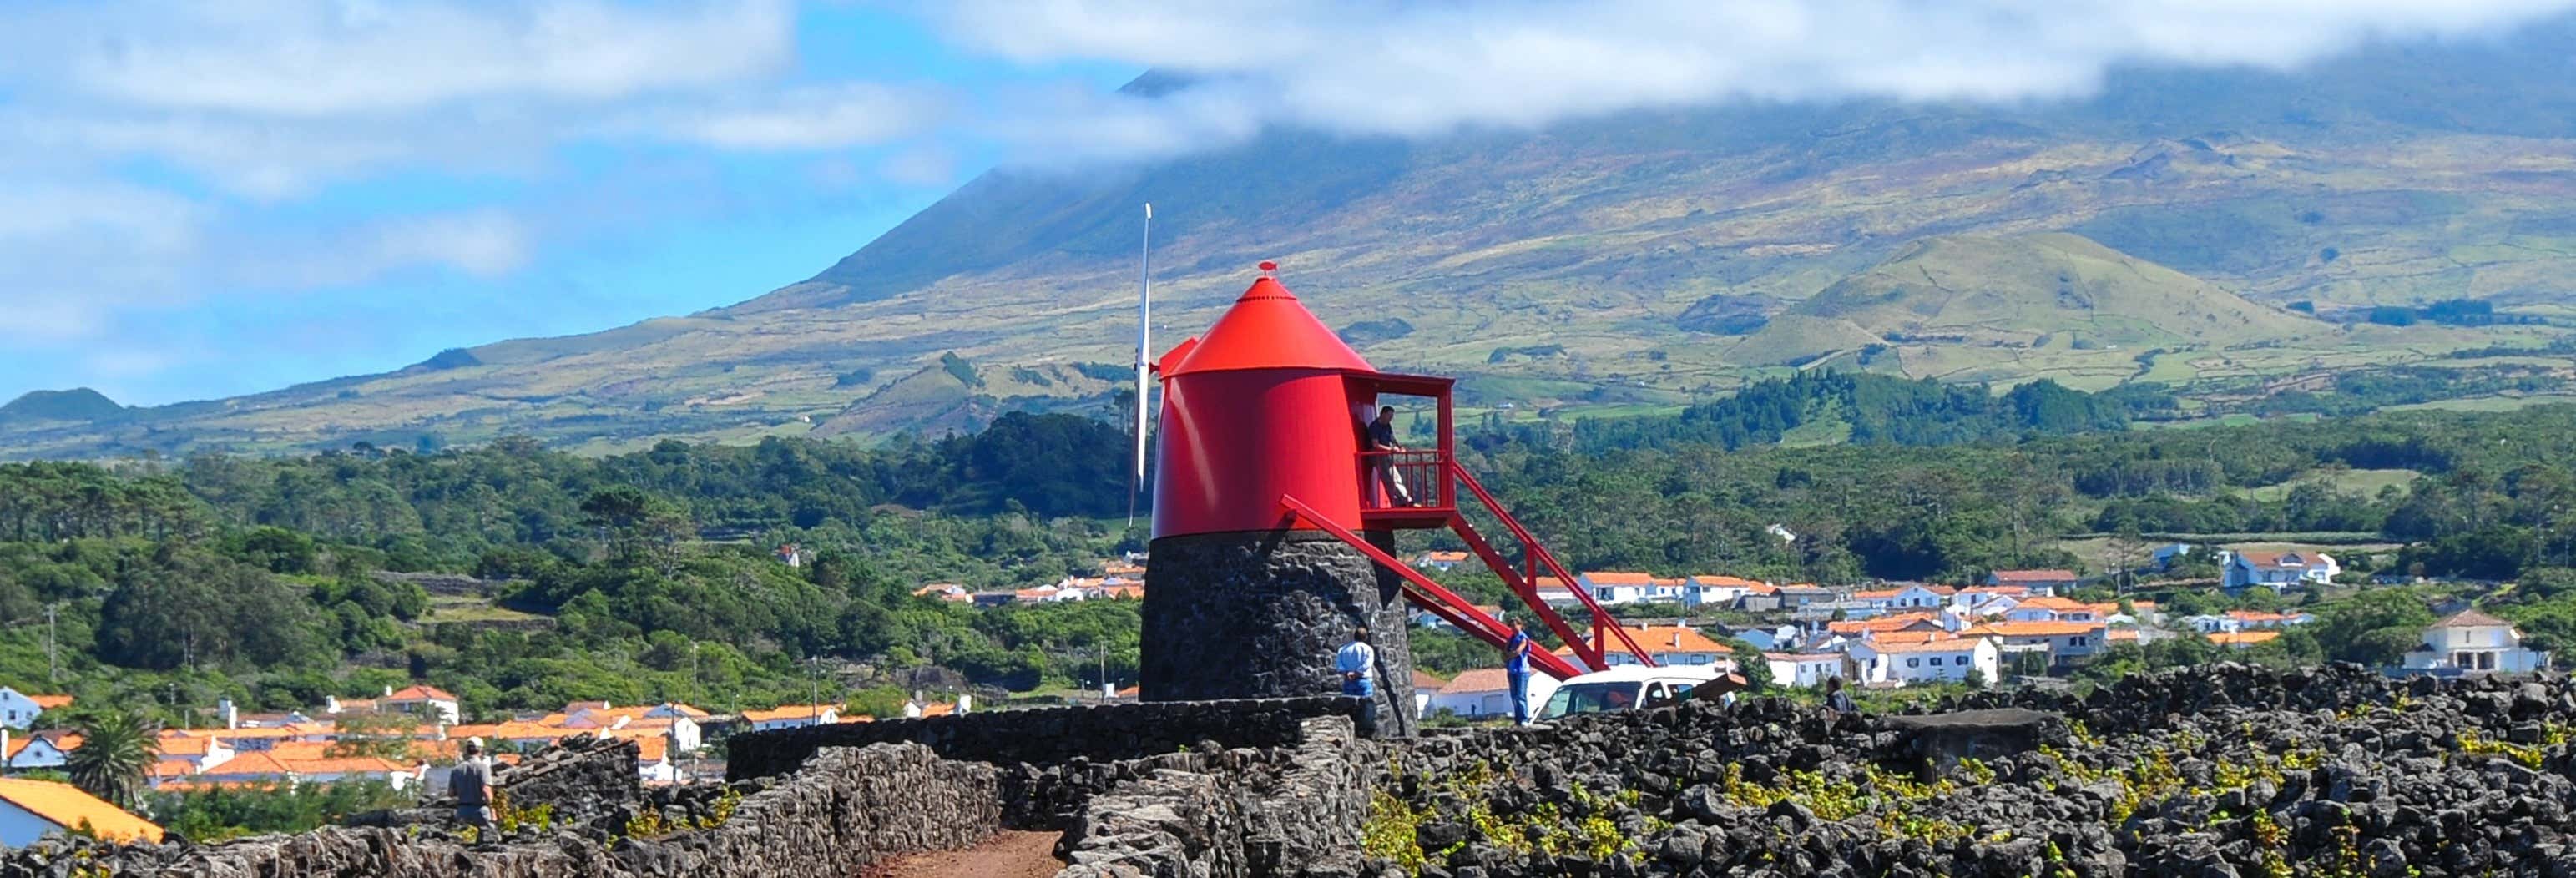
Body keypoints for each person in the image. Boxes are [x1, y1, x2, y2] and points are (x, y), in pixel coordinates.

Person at [1365, 406, 1415, 506]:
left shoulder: (1387, 425)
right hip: (1378, 455)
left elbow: (1392, 439)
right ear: (1383, 414)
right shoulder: (1375, 426)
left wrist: (1400, 447)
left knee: (1395, 477)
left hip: (1386, 455)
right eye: (1389, 416)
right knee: (1390, 478)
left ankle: (1401, 501)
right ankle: (1405, 500)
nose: (1390, 418)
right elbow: (1375, 444)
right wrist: (1390, 449)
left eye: (1392, 416)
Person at [1337, 626, 1379, 737]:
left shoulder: (1343, 649)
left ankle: (1348, 732)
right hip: (1364, 680)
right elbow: (1367, 664)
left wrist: (1348, 673)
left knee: (1348, 707)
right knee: (1366, 706)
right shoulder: (1368, 649)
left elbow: (1340, 665)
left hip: (1348, 681)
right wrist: (1357, 673)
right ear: (1365, 637)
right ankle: (1364, 732)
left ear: (1354, 636)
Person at [451, 738, 495, 834]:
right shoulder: (483, 767)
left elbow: (451, 793)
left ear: (466, 750)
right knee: (490, 837)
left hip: (462, 810)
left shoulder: (456, 769)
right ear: (480, 750)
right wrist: (492, 810)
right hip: (480, 810)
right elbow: (486, 790)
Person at [1504, 619, 1534, 726]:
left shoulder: (1523, 638)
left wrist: (1510, 654)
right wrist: (1509, 654)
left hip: (1522, 671)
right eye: (1511, 626)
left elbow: (1518, 652)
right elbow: (1505, 651)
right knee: (1514, 696)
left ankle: (1524, 718)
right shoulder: (1511, 638)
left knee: (1520, 695)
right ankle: (1518, 719)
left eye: (1514, 625)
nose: (1513, 628)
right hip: (1512, 670)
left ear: (1520, 625)